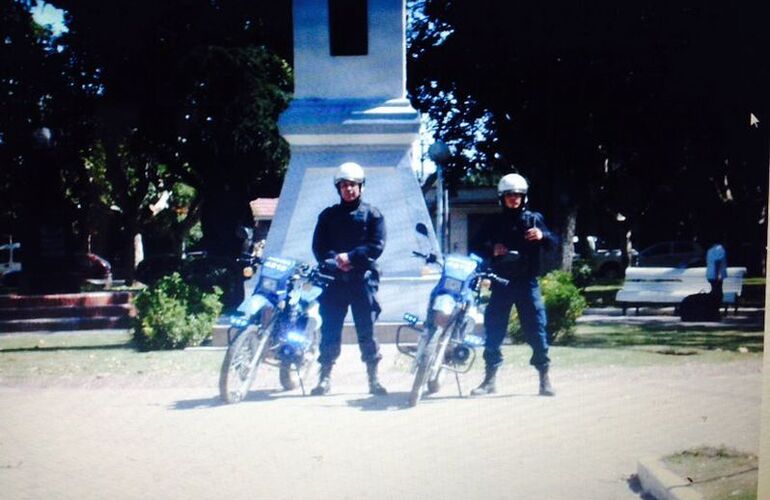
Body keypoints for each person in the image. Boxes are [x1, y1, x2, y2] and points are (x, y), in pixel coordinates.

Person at [469, 173, 557, 397]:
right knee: (494, 330)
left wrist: (542, 235)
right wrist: (492, 249)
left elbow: (554, 242)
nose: (514, 200)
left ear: (524, 197)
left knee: (536, 329)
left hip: (527, 283)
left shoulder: (534, 219)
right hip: (502, 283)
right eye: (509, 196)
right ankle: (489, 380)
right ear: (502, 197)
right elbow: (475, 245)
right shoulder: (494, 222)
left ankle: (544, 379)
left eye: (518, 195)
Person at [310, 162, 388, 396]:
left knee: (366, 330)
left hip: (361, 281)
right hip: (334, 282)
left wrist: (352, 257)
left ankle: (373, 379)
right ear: (339, 188)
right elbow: (319, 247)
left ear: (361, 186)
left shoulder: (373, 214)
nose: (349, 189)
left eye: (353, 185)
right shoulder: (328, 215)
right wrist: (335, 260)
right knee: (330, 330)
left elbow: (377, 245)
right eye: (344, 185)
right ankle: (324, 378)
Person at [706, 240, 727, 305]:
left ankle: (713, 305)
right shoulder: (720, 249)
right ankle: (716, 305)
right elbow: (717, 262)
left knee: (714, 290)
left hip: (710, 274)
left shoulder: (710, 250)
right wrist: (718, 274)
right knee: (718, 291)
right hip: (716, 274)